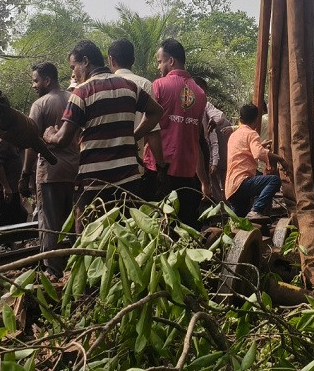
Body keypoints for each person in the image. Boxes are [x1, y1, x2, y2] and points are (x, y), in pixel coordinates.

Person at [44, 41, 164, 230]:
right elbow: (156, 112)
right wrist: (133, 136)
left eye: (73, 67)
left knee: (88, 238)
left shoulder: (82, 92)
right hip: (128, 181)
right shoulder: (130, 86)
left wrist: (49, 135)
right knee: (125, 236)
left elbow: (62, 139)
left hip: (94, 184)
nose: (73, 73)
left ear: (85, 61)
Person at [141, 39, 210, 228]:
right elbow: (196, 138)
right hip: (187, 174)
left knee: (156, 228)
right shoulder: (200, 94)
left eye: (159, 61)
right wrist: (204, 181)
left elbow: (149, 127)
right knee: (183, 228)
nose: (158, 67)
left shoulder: (159, 86)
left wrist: (133, 138)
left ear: (171, 61)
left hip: (160, 171)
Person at [20, 61, 79, 278]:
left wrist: (25, 173)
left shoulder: (40, 105)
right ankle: (77, 266)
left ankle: (53, 270)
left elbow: (30, 141)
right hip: (74, 170)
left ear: (47, 80)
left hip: (50, 173)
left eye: (36, 81)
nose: (33, 85)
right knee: (74, 222)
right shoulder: (73, 99)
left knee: (50, 223)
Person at [107, 38, 167, 201]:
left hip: (106, 167)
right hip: (134, 166)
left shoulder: (103, 85)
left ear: (110, 60)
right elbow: (153, 131)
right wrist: (160, 165)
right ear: (133, 60)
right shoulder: (144, 84)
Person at [225, 104, 286, 220]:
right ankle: (256, 210)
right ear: (256, 120)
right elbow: (258, 153)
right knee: (274, 180)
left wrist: (260, 145)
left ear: (240, 119)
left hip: (231, 187)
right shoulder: (251, 133)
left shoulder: (234, 135)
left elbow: (244, 150)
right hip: (242, 182)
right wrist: (280, 159)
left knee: (239, 221)